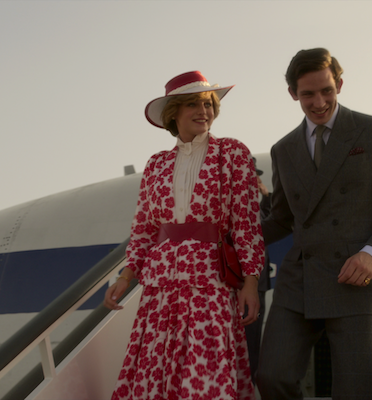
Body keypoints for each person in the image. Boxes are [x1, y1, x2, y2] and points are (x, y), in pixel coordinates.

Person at [256, 48, 372, 399]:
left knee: (355, 391)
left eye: (326, 90)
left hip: (357, 276)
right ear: (293, 94)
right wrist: (226, 239)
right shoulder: (282, 149)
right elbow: (281, 218)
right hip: (300, 279)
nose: (319, 101)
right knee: (272, 376)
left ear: (339, 84)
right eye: (308, 93)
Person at [103, 71, 264, 400]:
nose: (203, 110)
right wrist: (126, 275)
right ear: (173, 113)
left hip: (210, 279)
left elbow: (246, 224)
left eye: (207, 103)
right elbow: (145, 229)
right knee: (157, 366)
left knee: (205, 369)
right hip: (162, 282)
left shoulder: (232, 153)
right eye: (192, 104)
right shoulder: (156, 164)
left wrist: (251, 282)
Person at [244, 160, 272, 383]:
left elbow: (271, 222)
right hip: (241, 285)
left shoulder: (256, 205)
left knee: (252, 342)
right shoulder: (235, 204)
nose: (257, 181)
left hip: (257, 284)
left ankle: (248, 386)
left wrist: (266, 196)